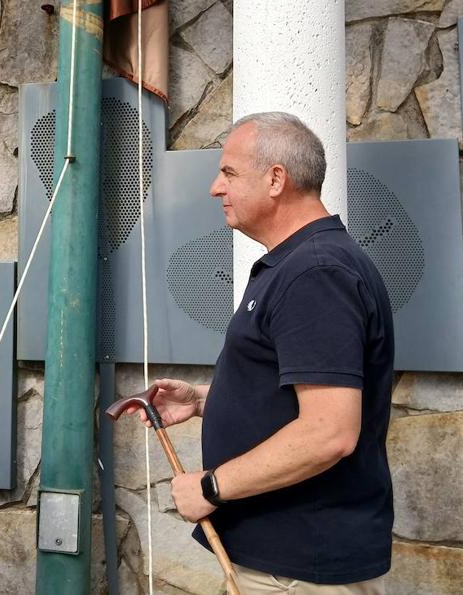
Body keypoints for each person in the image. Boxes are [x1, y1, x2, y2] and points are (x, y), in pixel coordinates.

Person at [138, 113, 394, 594]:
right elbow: (297, 396)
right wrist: (202, 400)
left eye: (229, 173)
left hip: (295, 573)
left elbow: (329, 431)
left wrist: (212, 486)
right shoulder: (303, 264)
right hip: (285, 569)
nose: (216, 188)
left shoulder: (315, 273)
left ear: (276, 178)